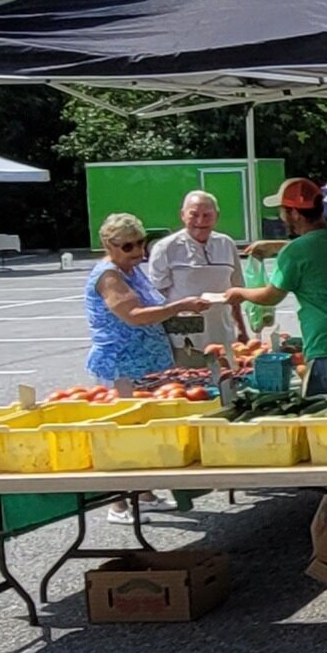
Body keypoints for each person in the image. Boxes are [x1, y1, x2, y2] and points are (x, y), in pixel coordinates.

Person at [86, 212, 209, 523]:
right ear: (109, 245)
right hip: (122, 365)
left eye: (141, 243)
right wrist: (180, 306)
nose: (139, 251)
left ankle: (144, 494)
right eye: (128, 246)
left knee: (147, 430)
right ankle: (118, 504)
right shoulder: (109, 276)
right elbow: (136, 315)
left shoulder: (131, 270)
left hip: (149, 362)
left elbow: (152, 306)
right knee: (126, 433)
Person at [224, 177, 327, 395]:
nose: (280, 217)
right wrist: (276, 246)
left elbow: (270, 297)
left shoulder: (296, 252)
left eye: (282, 211)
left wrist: (239, 292)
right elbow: (316, 246)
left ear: (294, 213)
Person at [148, 191, 248, 359]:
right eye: (194, 215)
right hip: (184, 341)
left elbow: (235, 292)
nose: (200, 221)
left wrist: (242, 330)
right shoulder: (165, 247)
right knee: (188, 385)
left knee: (228, 383)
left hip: (224, 338)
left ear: (217, 216)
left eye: (207, 215)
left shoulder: (226, 243)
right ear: (182, 215)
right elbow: (156, 297)